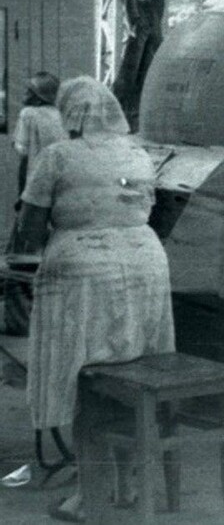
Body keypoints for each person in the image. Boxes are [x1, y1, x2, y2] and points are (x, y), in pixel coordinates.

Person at [16, 76, 175, 522]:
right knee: (129, 377)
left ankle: (89, 496)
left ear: (69, 114)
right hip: (146, 267)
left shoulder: (57, 157)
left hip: (83, 274)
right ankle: (125, 486)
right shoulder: (138, 154)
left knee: (86, 380)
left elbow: (27, 234)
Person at [3, 72, 66, 336]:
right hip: (59, 195)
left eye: (29, 90)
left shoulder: (30, 115)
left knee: (19, 259)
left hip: (35, 193)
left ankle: (19, 321)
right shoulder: (63, 116)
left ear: (39, 96)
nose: (25, 95)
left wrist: (22, 196)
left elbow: (24, 159)